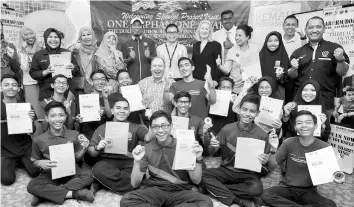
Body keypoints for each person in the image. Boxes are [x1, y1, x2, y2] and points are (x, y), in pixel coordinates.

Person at [120, 111, 213, 207]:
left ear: (171, 126)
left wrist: (198, 158)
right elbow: (135, 184)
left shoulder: (184, 145)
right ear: (151, 129)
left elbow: (196, 180)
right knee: (126, 200)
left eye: (164, 125)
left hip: (180, 191)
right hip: (155, 190)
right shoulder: (146, 148)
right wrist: (137, 161)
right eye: (155, 127)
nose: (160, 130)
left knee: (206, 203)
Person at [200, 94, 273, 207]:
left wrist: (264, 160)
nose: (247, 114)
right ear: (239, 109)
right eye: (244, 109)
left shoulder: (262, 135)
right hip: (226, 170)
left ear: (257, 113)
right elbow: (213, 152)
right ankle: (239, 201)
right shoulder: (227, 129)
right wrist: (214, 146)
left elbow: (265, 164)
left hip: (248, 174)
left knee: (256, 189)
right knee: (203, 175)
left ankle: (215, 189)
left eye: (252, 111)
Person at [261, 110, 338, 207]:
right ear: (295, 127)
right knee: (265, 194)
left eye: (308, 122)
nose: (304, 125)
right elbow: (271, 166)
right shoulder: (288, 143)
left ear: (316, 126)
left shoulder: (324, 147)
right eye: (299, 123)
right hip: (287, 188)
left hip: (308, 191)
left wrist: (336, 175)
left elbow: (331, 173)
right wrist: (273, 149)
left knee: (330, 205)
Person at [27, 101, 94, 206]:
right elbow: (34, 160)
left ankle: (45, 194)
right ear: (46, 118)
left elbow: (76, 159)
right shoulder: (38, 140)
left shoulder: (74, 134)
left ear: (66, 116)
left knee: (89, 175)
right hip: (51, 174)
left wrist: (84, 149)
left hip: (72, 171)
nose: (58, 119)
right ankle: (74, 193)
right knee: (32, 185)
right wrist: (39, 163)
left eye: (61, 115)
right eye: (53, 116)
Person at [88, 97, 151, 194]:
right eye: (118, 108)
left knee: (139, 171)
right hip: (108, 163)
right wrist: (98, 147)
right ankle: (129, 187)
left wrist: (152, 122)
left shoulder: (136, 127)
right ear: (112, 110)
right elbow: (91, 152)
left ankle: (102, 183)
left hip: (129, 161)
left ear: (129, 111)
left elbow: (148, 138)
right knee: (97, 170)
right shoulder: (102, 128)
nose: (122, 111)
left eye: (125, 109)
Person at [287, 16, 350, 112]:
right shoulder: (298, 52)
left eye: (318, 27)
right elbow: (292, 76)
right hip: (300, 102)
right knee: (300, 126)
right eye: (311, 27)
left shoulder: (334, 48)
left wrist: (340, 60)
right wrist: (294, 68)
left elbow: (343, 72)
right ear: (306, 30)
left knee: (323, 127)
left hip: (325, 102)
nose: (314, 30)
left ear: (324, 29)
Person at [1, 74, 39, 185]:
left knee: (35, 172)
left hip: (25, 147)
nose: (10, 87)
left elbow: (32, 131)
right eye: (6, 85)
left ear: (18, 88)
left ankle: (21, 161)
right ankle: (15, 162)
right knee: (7, 180)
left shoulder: (25, 106)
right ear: (1, 87)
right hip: (5, 150)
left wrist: (31, 120)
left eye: (14, 85)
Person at [29, 28, 81, 102]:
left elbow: (78, 71)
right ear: (45, 39)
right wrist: (45, 72)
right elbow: (33, 73)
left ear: (59, 39)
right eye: (50, 37)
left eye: (56, 37)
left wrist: (73, 68)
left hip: (66, 93)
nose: (53, 39)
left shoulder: (67, 53)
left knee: (67, 112)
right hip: (47, 93)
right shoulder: (38, 55)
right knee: (51, 113)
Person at [217, 24, 260, 94]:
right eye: (236, 35)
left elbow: (257, 70)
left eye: (240, 35)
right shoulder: (232, 50)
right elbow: (227, 71)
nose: (236, 38)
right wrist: (219, 65)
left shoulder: (255, 50)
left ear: (247, 37)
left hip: (250, 90)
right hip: (235, 90)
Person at [170, 91, 213, 156]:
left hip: (192, 155)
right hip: (173, 155)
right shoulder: (170, 121)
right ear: (175, 104)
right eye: (180, 102)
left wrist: (205, 133)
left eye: (186, 102)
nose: (183, 105)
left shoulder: (197, 120)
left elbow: (206, 144)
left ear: (190, 104)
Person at [74, 70, 113, 140]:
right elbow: (78, 119)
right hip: (89, 136)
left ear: (106, 82)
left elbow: (110, 116)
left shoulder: (110, 99)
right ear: (91, 82)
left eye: (102, 79)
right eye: (96, 79)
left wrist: (105, 98)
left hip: (107, 135)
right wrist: (78, 119)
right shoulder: (85, 99)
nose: (100, 82)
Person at [18, 26, 44, 118]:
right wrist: (25, 51)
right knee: (35, 111)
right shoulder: (21, 50)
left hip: (43, 82)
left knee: (44, 109)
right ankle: (37, 132)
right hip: (30, 84)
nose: (29, 36)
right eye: (26, 34)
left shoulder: (41, 46)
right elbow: (24, 67)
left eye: (31, 33)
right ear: (22, 37)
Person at [122, 17, 157, 84]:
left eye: (139, 25)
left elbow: (156, 61)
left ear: (142, 27)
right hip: (132, 81)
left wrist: (149, 57)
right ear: (131, 27)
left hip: (148, 80)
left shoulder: (150, 42)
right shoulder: (125, 44)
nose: (136, 27)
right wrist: (130, 59)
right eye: (134, 25)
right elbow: (122, 64)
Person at [259, 31, 289, 100]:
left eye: (276, 41)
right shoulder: (260, 56)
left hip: (278, 92)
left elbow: (287, 78)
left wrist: (281, 77)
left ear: (280, 42)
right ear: (266, 42)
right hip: (261, 91)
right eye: (270, 41)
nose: (273, 43)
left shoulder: (283, 56)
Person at [72, 26, 98, 95]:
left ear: (93, 35)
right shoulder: (76, 51)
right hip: (81, 87)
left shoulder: (98, 51)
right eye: (83, 35)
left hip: (96, 86)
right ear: (80, 38)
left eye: (89, 34)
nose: (86, 37)